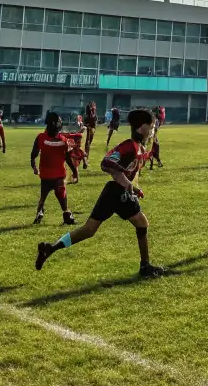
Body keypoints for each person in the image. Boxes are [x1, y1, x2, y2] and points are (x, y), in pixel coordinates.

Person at [35, 108, 163, 278]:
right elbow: (107, 162)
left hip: (114, 192)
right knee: (142, 223)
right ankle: (145, 267)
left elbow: (122, 172)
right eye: (151, 126)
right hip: (117, 193)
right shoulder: (129, 145)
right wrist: (126, 184)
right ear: (142, 128)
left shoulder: (138, 147)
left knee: (89, 230)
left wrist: (133, 187)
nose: (153, 130)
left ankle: (51, 248)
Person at [30, 112, 80, 226]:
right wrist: (74, 170)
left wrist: (34, 166)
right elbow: (68, 158)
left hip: (45, 174)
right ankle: (67, 216)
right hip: (58, 174)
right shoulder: (63, 140)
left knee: (44, 195)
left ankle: (40, 211)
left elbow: (33, 154)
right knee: (61, 195)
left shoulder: (40, 138)